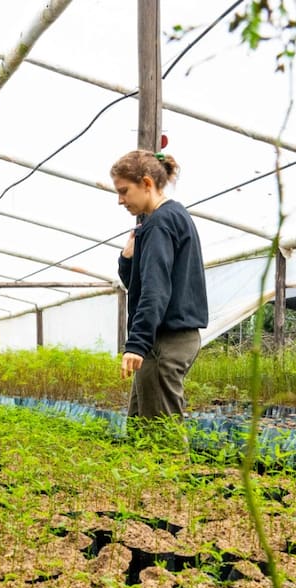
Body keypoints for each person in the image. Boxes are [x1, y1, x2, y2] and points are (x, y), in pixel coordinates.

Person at [111, 149, 209, 421]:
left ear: (146, 183)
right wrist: (127, 259)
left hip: (166, 341)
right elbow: (140, 284)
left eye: (124, 191)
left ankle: (175, 464)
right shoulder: (163, 220)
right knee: (142, 427)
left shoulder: (160, 222)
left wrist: (136, 344)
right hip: (163, 338)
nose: (120, 200)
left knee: (161, 436)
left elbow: (155, 291)